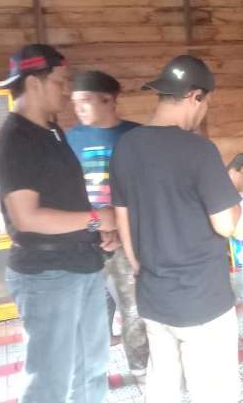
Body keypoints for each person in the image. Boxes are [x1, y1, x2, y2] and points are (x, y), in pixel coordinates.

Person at [110, 55, 243, 403]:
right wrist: (233, 192)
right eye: (206, 102)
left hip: (154, 298)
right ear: (195, 96)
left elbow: (122, 217)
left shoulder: (126, 147)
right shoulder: (199, 150)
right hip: (202, 301)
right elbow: (226, 225)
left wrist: (139, 267)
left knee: (163, 387)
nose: (204, 110)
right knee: (212, 394)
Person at [0, 44, 117, 402]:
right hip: (47, 276)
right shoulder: (16, 138)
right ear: (34, 83)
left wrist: (97, 231)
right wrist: (96, 218)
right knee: (50, 383)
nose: (65, 92)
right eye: (60, 82)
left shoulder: (52, 130)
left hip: (81, 264)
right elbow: (27, 217)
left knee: (92, 369)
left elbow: (64, 199)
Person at [67, 70, 149, 379]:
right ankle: (95, 372)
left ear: (109, 99)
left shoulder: (137, 136)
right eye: (75, 102)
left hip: (129, 235)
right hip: (87, 237)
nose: (78, 108)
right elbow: (67, 193)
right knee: (93, 307)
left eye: (85, 100)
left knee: (134, 305)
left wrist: (119, 227)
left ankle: (140, 367)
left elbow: (146, 189)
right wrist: (98, 226)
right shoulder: (70, 139)